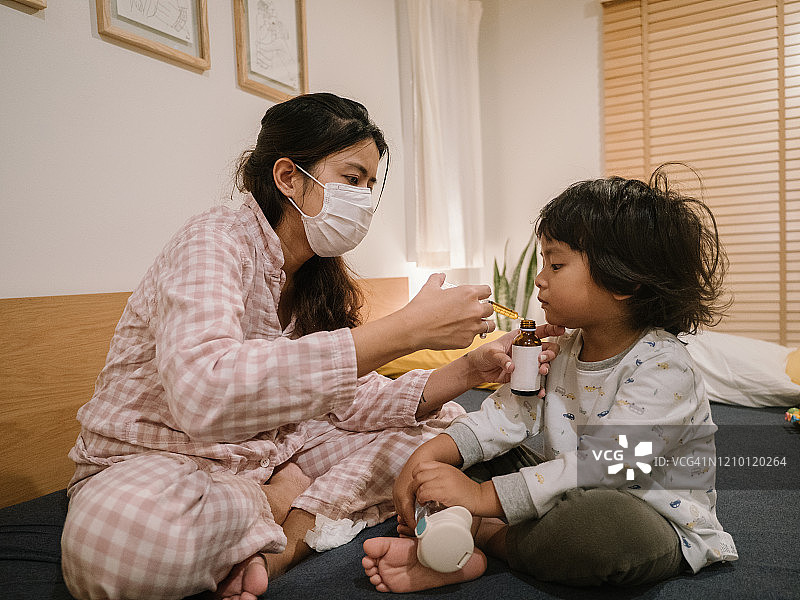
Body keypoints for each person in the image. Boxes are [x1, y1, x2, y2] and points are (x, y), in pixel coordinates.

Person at [59, 93, 559, 600]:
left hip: (266, 457)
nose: (364, 197)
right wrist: (407, 330)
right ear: (288, 178)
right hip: (159, 466)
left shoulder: (316, 279)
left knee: (444, 426)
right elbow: (204, 393)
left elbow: (350, 400)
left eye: (370, 184)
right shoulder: (214, 240)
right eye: (351, 178)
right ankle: (283, 509)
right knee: (120, 544)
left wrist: (473, 367)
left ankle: (282, 540)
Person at [363, 168, 740, 592]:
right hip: (561, 483)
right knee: (467, 451)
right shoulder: (562, 348)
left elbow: (605, 467)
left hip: (646, 512)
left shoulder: (666, 367)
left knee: (600, 530)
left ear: (623, 282)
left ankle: (481, 535)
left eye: (556, 264)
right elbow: (507, 417)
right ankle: (455, 538)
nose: (540, 279)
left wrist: (480, 499)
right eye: (542, 261)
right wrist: (429, 456)